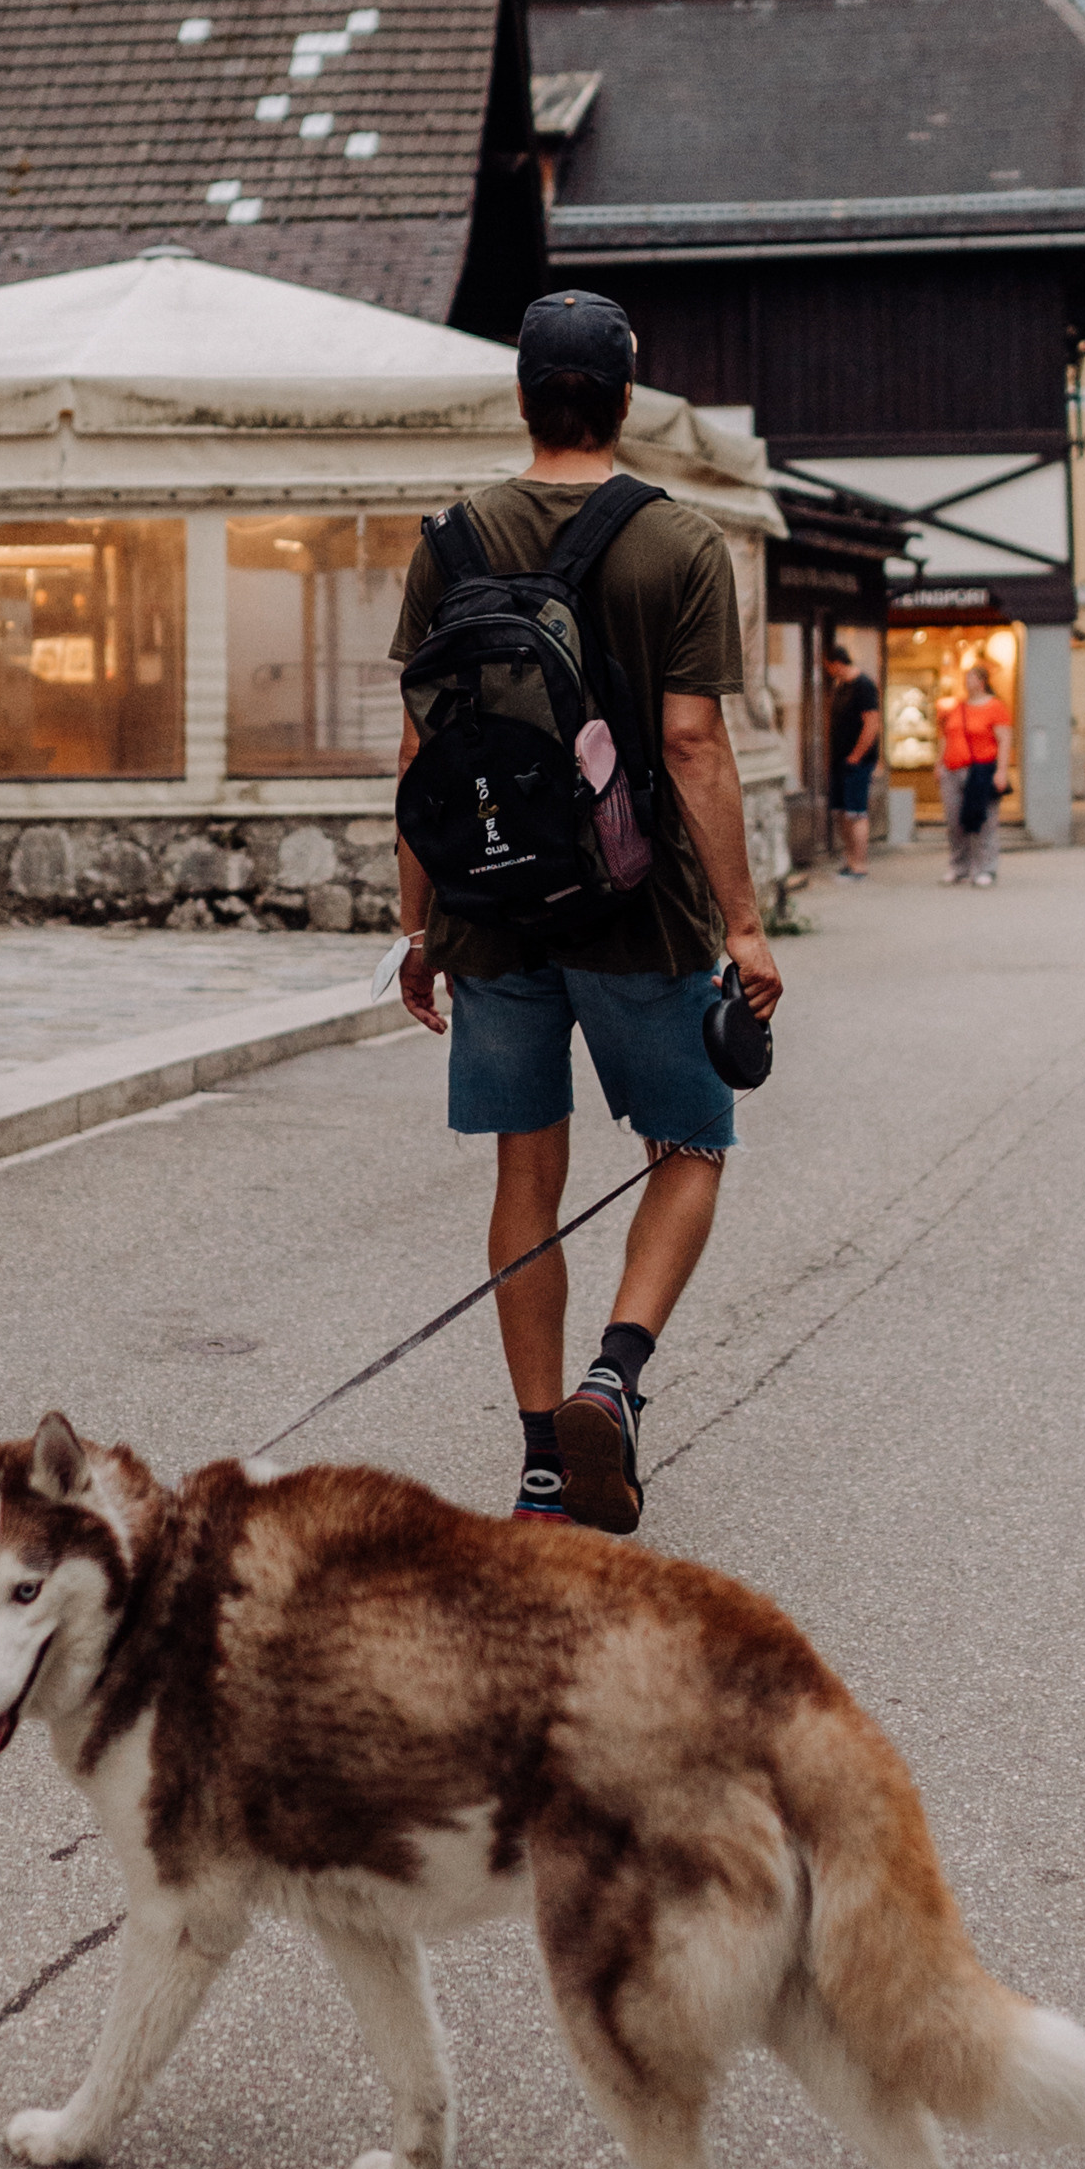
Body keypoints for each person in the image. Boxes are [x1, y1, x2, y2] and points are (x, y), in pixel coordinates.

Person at [392, 288, 784, 1539]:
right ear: (622, 399)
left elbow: (415, 747)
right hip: (634, 905)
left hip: (490, 909)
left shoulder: (449, 541)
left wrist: (416, 922)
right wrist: (744, 922)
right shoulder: (677, 543)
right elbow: (688, 740)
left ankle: (536, 1463)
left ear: (521, 395)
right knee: (688, 1143)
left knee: (527, 1168)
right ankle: (610, 1380)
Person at [936, 660, 1012, 886]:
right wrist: (939, 763)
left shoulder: (995, 707)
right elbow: (945, 735)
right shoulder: (957, 707)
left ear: (981, 682)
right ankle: (959, 866)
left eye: (970, 678)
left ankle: (985, 868)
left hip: (980, 771)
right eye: (965, 678)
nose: (966, 682)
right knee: (955, 821)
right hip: (952, 768)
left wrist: (1001, 771)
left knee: (983, 820)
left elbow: (1005, 739)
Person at [824, 641, 881, 876]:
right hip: (839, 760)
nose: (828, 671)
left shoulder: (863, 686)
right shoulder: (840, 687)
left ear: (837, 663)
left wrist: (856, 756)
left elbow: (872, 723)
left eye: (829, 666)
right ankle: (849, 858)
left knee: (856, 812)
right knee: (841, 811)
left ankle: (860, 863)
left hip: (856, 761)